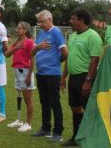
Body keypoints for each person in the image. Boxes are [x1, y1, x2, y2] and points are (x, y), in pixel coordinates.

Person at [60, 8, 103, 146]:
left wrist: (88, 81)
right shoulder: (73, 36)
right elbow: (69, 58)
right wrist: (63, 77)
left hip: (85, 77)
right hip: (73, 77)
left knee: (89, 109)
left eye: (73, 19)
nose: (71, 21)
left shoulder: (93, 36)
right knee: (75, 107)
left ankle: (92, 138)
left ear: (82, 20)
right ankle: (76, 137)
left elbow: (95, 59)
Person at [31, 10, 68, 143]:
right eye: (39, 22)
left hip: (52, 74)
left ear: (49, 20)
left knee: (54, 102)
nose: (40, 24)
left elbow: (65, 53)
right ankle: (46, 128)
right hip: (40, 73)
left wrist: (55, 63)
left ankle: (58, 132)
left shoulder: (56, 32)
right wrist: (39, 46)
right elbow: (33, 51)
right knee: (44, 102)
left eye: (42, 21)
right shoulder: (41, 33)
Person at [6, 22, 35, 132]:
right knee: (19, 96)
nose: (17, 30)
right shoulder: (17, 41)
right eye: (17, 28)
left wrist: (29, 75)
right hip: (17, 71)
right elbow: (7, 54)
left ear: (25, 30)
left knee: (28, 99)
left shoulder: (29, 42)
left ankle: (28, 123)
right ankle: (19, 120)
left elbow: (32, 59)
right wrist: (15, 48)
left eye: (19, 28)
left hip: (25, 71)